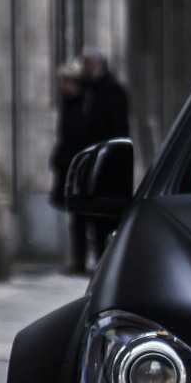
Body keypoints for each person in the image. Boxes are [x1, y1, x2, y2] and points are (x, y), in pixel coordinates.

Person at [78, 47, 130, 266]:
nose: (84, 69)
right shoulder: (87, 91)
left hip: (109, 165)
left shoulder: (112, 90)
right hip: (91, 163)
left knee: (106, 219)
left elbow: (118, 128)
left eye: (87, 64)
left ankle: (106, 260)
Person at [50, 58, 91, 274]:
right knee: (76, 217)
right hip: (69, 165)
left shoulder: (87, 104)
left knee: (85, 216)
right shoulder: (69, 105)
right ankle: (79, 260)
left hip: (82, 167)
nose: (61, 87)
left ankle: (86, 260)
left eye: (64, 82)